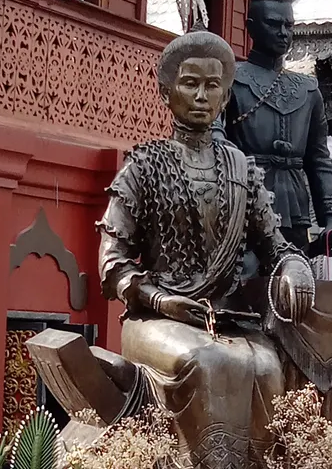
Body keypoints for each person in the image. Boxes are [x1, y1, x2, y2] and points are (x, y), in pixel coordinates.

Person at [98, 29, 316, 468]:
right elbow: (112, 265)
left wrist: (294, 266)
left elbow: (276, 246)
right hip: (156, 316)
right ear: (167, 91)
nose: (201, 96)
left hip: (223, 316)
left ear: (224, 95)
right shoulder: (143, 166)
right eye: (190, 83)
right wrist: (162, 300)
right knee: (208, 361)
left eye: (212, 86)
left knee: (267, 365)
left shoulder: (242, 169)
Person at [215, 0, 332, 253]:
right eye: (273, 24)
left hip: (294, 205)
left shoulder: (308, 90)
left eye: (289, 26)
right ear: (250, 26)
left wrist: (331, 218)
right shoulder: (230, 81)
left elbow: (318, 159)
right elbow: (213, 140)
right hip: (242, 203)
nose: (283, 33)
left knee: (294, 284)